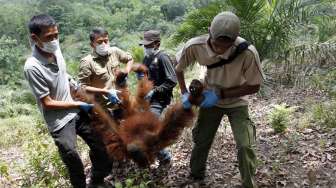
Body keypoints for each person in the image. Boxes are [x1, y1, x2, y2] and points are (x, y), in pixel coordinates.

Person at [24, 14, 120, 188]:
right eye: (48, 37)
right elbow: (47, 102)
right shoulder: (32, 67)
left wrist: (73, 85)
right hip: (59, 120)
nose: (54, 40)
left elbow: (63, 74)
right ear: (34, 38)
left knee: (102, 147)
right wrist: (78, 104)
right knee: (72, 158)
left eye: (56, 35)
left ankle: (97, 182)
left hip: (76, 111)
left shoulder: (56, 51)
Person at [175, 11, 264, 188]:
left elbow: (255, 86)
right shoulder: (195, 46)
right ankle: (196, 174)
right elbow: (179, 68)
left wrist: (220, 94)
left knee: (245, 145)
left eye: (227, 45)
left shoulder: (248, 53)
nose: (221, 49)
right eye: (217, 44)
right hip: (210, 102)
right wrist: (184, 92)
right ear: (209, 32)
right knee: (201, 139)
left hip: (237, 102)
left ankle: (249, 183)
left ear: (235, 38)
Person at [138, 30, 177, 165]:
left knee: (148, 130)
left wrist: (155, 91)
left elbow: (172, 80)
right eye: (144, 45)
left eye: (148, 45)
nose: (146, 48)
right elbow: (145, 75)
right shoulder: (147, 58)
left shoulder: (162, 57)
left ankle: (165, 157)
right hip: (147, 100)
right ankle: (160, 155)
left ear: (157, 44)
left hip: (159, 100)